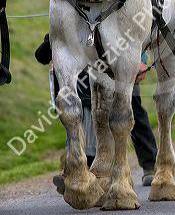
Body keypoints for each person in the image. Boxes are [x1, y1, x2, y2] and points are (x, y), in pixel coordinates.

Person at [35, 34, 157, 191]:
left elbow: (132, 28)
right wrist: (53, 41)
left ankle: (150, 164)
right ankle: (77, 172)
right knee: (83, 117)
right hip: (89, 71)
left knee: (133, 109)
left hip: (119, 59)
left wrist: (141, 59)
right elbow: (43, 55)